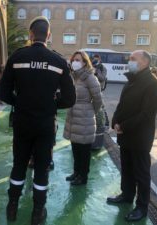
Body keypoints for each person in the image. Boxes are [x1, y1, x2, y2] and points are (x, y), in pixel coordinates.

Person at [0, 16, 76, 225]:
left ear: (30, 35)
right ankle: (38, 212)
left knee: (19, 164)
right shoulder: (59, 61)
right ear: (49, 35)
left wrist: (21, 102)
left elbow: (3, 92)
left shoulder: (17, 57)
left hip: (22, 122)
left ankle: (12, 206)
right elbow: (70, 98)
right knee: (41, 168)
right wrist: (50, 105)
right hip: (45, 124)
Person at [107, 50, 157, 222]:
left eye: (132, 59)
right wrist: (115, 121)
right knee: (127, 168)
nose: (129, 61)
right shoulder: (132, 80)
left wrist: (122, 126)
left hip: (140, 137)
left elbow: (146, 114)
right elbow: (122, 105)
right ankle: (127, 194)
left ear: (145, 62)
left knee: (141, 173)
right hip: (125, 135)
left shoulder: (153, 84)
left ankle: (142, 207)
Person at [63, 51, 102, 185]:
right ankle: (76, 173)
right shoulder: (74, 77)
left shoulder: (90, 78)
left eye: (78, 60)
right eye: (73, 59)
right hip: (73, 117)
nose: (75, 62)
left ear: (85, 62)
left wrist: (90, 111)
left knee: (84, 151)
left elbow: (98, 99)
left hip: (85, 118)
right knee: (75, 148)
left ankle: (83, 177)